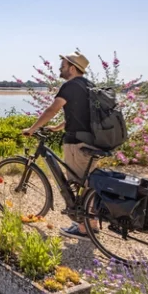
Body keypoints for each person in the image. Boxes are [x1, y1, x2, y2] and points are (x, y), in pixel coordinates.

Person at [22, 51, 98, 239]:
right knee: (88, 183)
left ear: (72, 68)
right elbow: (82, 114)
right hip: (92, 140)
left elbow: (52, 109)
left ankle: (83, 229)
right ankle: (92, 224)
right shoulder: (89, 85)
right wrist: (58, 126)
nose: (60, 68)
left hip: (77, 143)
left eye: (63, 65)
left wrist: (32, 128)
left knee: (78, 183)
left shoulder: (70, 86)